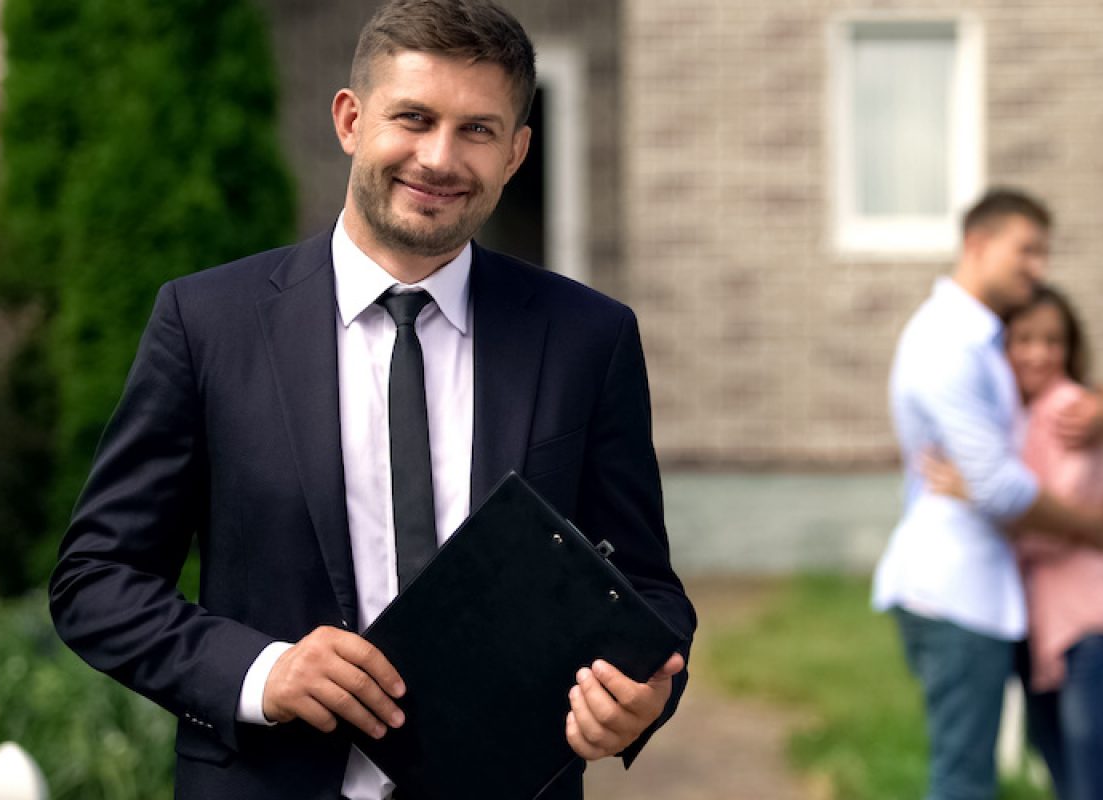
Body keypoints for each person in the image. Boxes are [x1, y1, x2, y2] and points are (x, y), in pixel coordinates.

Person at [48, 2, 695, 797]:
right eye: (413, 118)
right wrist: (263, 671)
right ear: (351, 119)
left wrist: (646, 696)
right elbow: (97, 578)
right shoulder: (208, 323)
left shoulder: (588, 338)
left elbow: (645, 590)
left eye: (478, 130)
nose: (439, 157)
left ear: (518, 152)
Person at [871, 189, 1103, 800]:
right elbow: (999, 486)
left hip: (989, 590)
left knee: (978, 775)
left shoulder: (984, 339)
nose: (1038, 267)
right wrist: (1088, 525)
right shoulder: (946, 343)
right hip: (954, 591)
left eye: (1044, 253)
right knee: (964, 780)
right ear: (977, 245)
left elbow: (1051, 400)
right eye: (1026, 250)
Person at [924, 285, 1103, 800]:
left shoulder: (1070, 410)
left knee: (1093, 788)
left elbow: (1063, 519)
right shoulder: (1012, 416)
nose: (1039, 353)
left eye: (1053, 341)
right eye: (1024, 339)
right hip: (1038, 635)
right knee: (1068, 783)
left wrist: (979, 495)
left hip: (1088, 630)